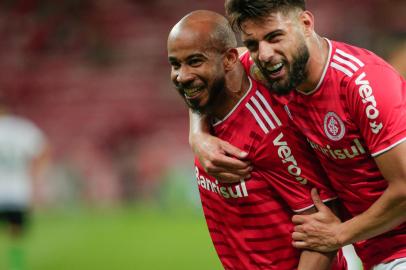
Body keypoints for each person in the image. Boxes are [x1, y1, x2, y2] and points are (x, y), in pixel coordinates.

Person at [189, 0, 406, 269]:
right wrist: (198, 134)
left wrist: (338, 234)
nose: (265, 54)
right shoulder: (276, 70)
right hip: (373, 249)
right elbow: (209, 74)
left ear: (305, 24)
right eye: (253, 44)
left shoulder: (363, 85)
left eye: (275, 37)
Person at [168, 9, 347, 270]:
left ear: (229, 60)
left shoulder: (268, 131)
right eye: (175, 64)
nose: (182, 76)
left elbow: (324, 226)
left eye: (195, 62)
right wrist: (197, 134)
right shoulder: (209, 109)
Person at [0, 102, 50, 270]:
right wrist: (36, 174)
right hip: (17, 190)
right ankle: (16, 265)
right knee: (16, 232)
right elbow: (43, 148)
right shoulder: (21, 128)